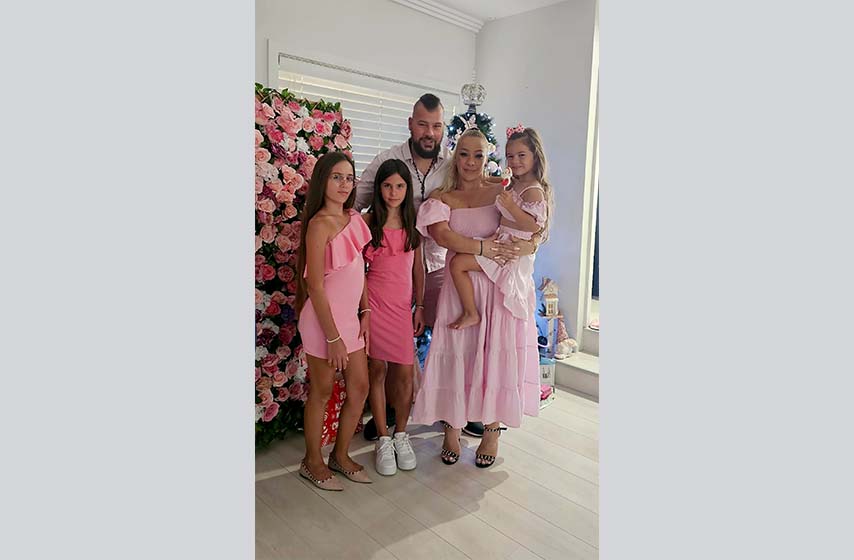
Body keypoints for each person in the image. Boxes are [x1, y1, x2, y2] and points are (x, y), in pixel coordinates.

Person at [355, 93, 493, 439]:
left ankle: (462, 409)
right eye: (422, 125)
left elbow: (481, 194)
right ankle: (390, 410)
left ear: (443, 128)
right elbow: (356, 202)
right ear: (410, 125)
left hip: (445, 263)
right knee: (393, 345)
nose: (429, 133)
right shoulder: (388, 160)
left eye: (436, 126)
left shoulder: (454, 163)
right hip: (396, 269)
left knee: (458, 337)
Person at [410, 129, 542, 468]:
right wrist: (483, 248)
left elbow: (533, 225)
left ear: (487, 158)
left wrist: (531, 244)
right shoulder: (442, 196)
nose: (470, 162)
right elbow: (444, 237)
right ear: (456, 156)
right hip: (460, 290)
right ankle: (452, 429)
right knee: (457, 355)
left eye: (478, 155)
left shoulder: (503, 191)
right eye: (464, 154)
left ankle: (492, 431)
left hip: (497, 289)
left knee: (495, 357)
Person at [295, 151, 373, 490]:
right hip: (322, 323)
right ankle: (312, 461)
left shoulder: (354, 218)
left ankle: (340, 455)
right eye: (336, 177)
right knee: (323, 390)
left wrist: (365, 311)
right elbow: (314, 285)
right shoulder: (318, 225)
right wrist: (332, 338)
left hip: (350, 321)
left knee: (360, 387)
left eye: (349, 178)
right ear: (323, 181)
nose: (344, 184)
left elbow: (359, 271)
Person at [447, 125, 553, 329]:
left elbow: (533, 226)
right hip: (501, 241)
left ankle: (471, 313)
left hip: (509, 249)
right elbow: (489, 180)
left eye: (521, 155)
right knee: (458, 263)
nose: (515, 161)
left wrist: (512, 207)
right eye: (510, 156)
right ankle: (471, 311)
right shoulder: (515, 183)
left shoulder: (534, 191)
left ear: (535, 156)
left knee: (458, 264)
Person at [362, 159, 425, 475]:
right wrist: (362, 310)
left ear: (407, 189)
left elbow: (418, 270)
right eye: (387, 185)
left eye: (399, 186)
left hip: (401, 309)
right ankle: (383, 438)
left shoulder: (413, 225)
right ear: (379, 188)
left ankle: (401, 433)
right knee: (376, 370)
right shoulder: (368, 222)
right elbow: (358, 271)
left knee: (404, 372)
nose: (393, 192)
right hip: (374, 305)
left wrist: (421, 306)